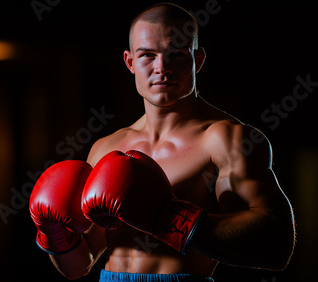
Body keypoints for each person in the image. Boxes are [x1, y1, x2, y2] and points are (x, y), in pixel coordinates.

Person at [29, 2, 295, 281]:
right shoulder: (106, 147)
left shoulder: (226, 139)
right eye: (147, 55)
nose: (161, 68)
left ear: (198, 60)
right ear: (130, 62)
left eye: (176, 54)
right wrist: (54, 234)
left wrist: (166, 217)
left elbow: (276, 247)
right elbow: (79, 265)